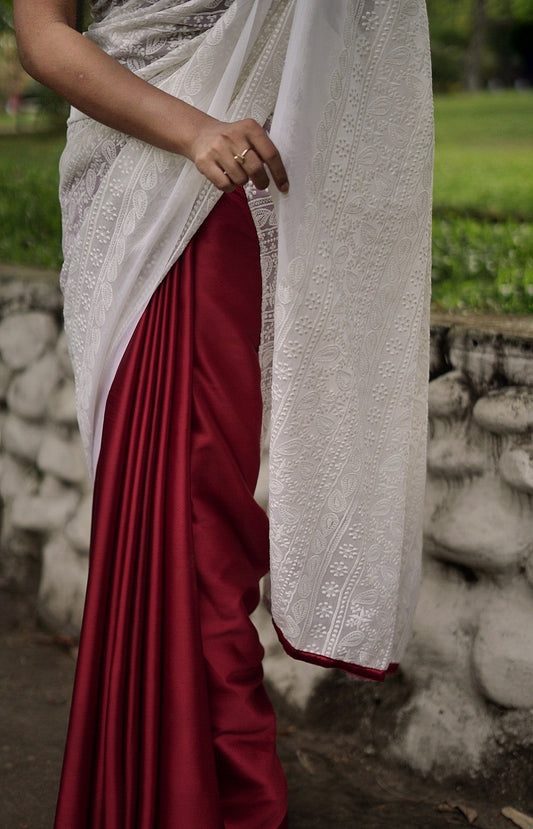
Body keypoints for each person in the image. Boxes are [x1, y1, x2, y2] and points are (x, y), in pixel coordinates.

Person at [14, 1, 433, 827]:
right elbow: (41, 36)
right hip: (140, 191)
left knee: (197, 521)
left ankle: (207, 793)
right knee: (169, 513)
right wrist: (191, 129)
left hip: (228, 205)